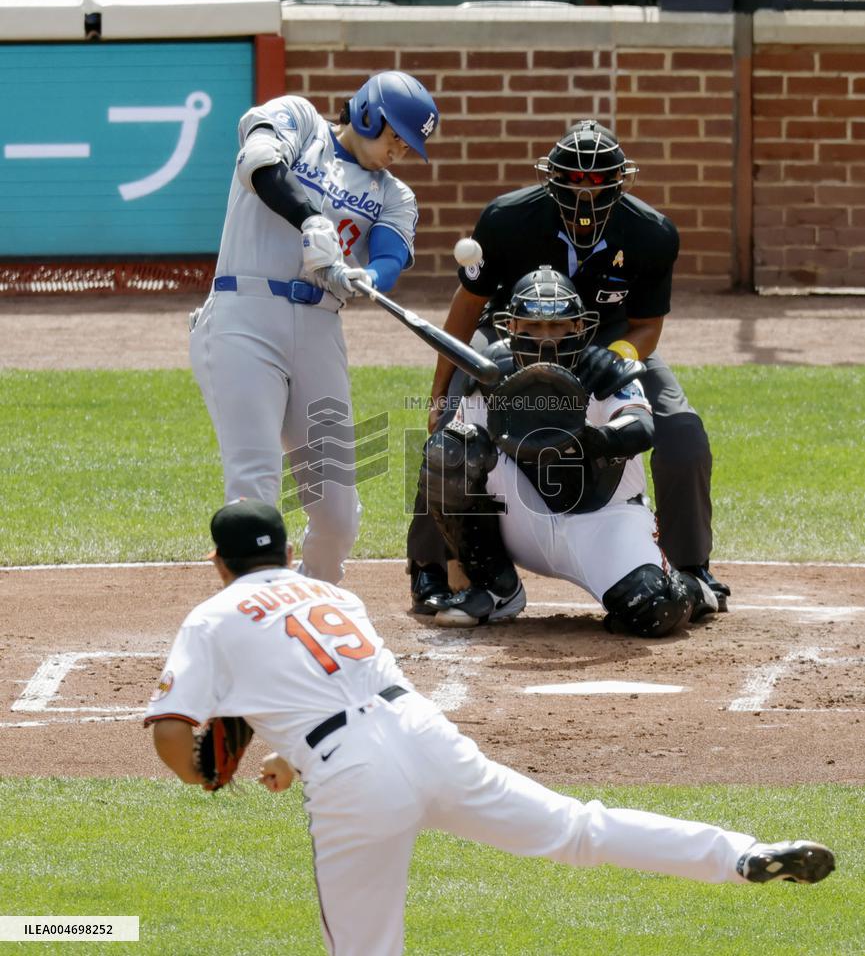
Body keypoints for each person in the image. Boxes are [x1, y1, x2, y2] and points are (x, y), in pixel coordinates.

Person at [146, 498, 835, 956]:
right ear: (287, 549)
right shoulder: (330, 593)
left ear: (218, 561)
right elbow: (337, 687)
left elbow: (174, 735)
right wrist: (285, 754)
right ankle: (738, 855)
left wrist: (200, 773)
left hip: (353, 781)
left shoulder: (212, 617)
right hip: (423, 735)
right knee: (576, 829)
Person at [407, 119, 729, 614]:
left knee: (683, 434)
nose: (585, 191)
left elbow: (646, 326)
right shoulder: (506, 220)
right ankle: (432, 567)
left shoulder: (652, 233)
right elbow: (467, 309)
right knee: (450, 436)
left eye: (598, 181)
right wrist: (440, 395)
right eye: (574, 180)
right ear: (549, 178)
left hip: (609, 339)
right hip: (514, 337)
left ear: (621, 181)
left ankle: (689, 567)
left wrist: (616, 358)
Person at [190, 71, 439, 583]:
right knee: (255, 483)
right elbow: (258, 163)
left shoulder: (396, 195)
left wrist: (363, 276)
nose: (400, 152)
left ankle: (311, 603)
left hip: (321, 329)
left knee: (337, 513)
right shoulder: (301, 121)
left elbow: (390, 257)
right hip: (245, 314)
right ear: (369, 113)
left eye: (408, 146)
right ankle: (252, 617)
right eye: (396, 137)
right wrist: (310, 219)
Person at [420, 266, 718, 635]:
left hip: (604, 521)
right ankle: (495, 589)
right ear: (511, 328)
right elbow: (455, 462)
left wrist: (590, 439)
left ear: (579, 328)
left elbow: (640, 427)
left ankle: (690, 587)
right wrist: (457, 566)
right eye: (533, 327)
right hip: (523, 519)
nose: (547, 339)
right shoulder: (490, 374)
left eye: (559, 327)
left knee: (656, 610)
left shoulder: (604, 370)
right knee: (448, 451)